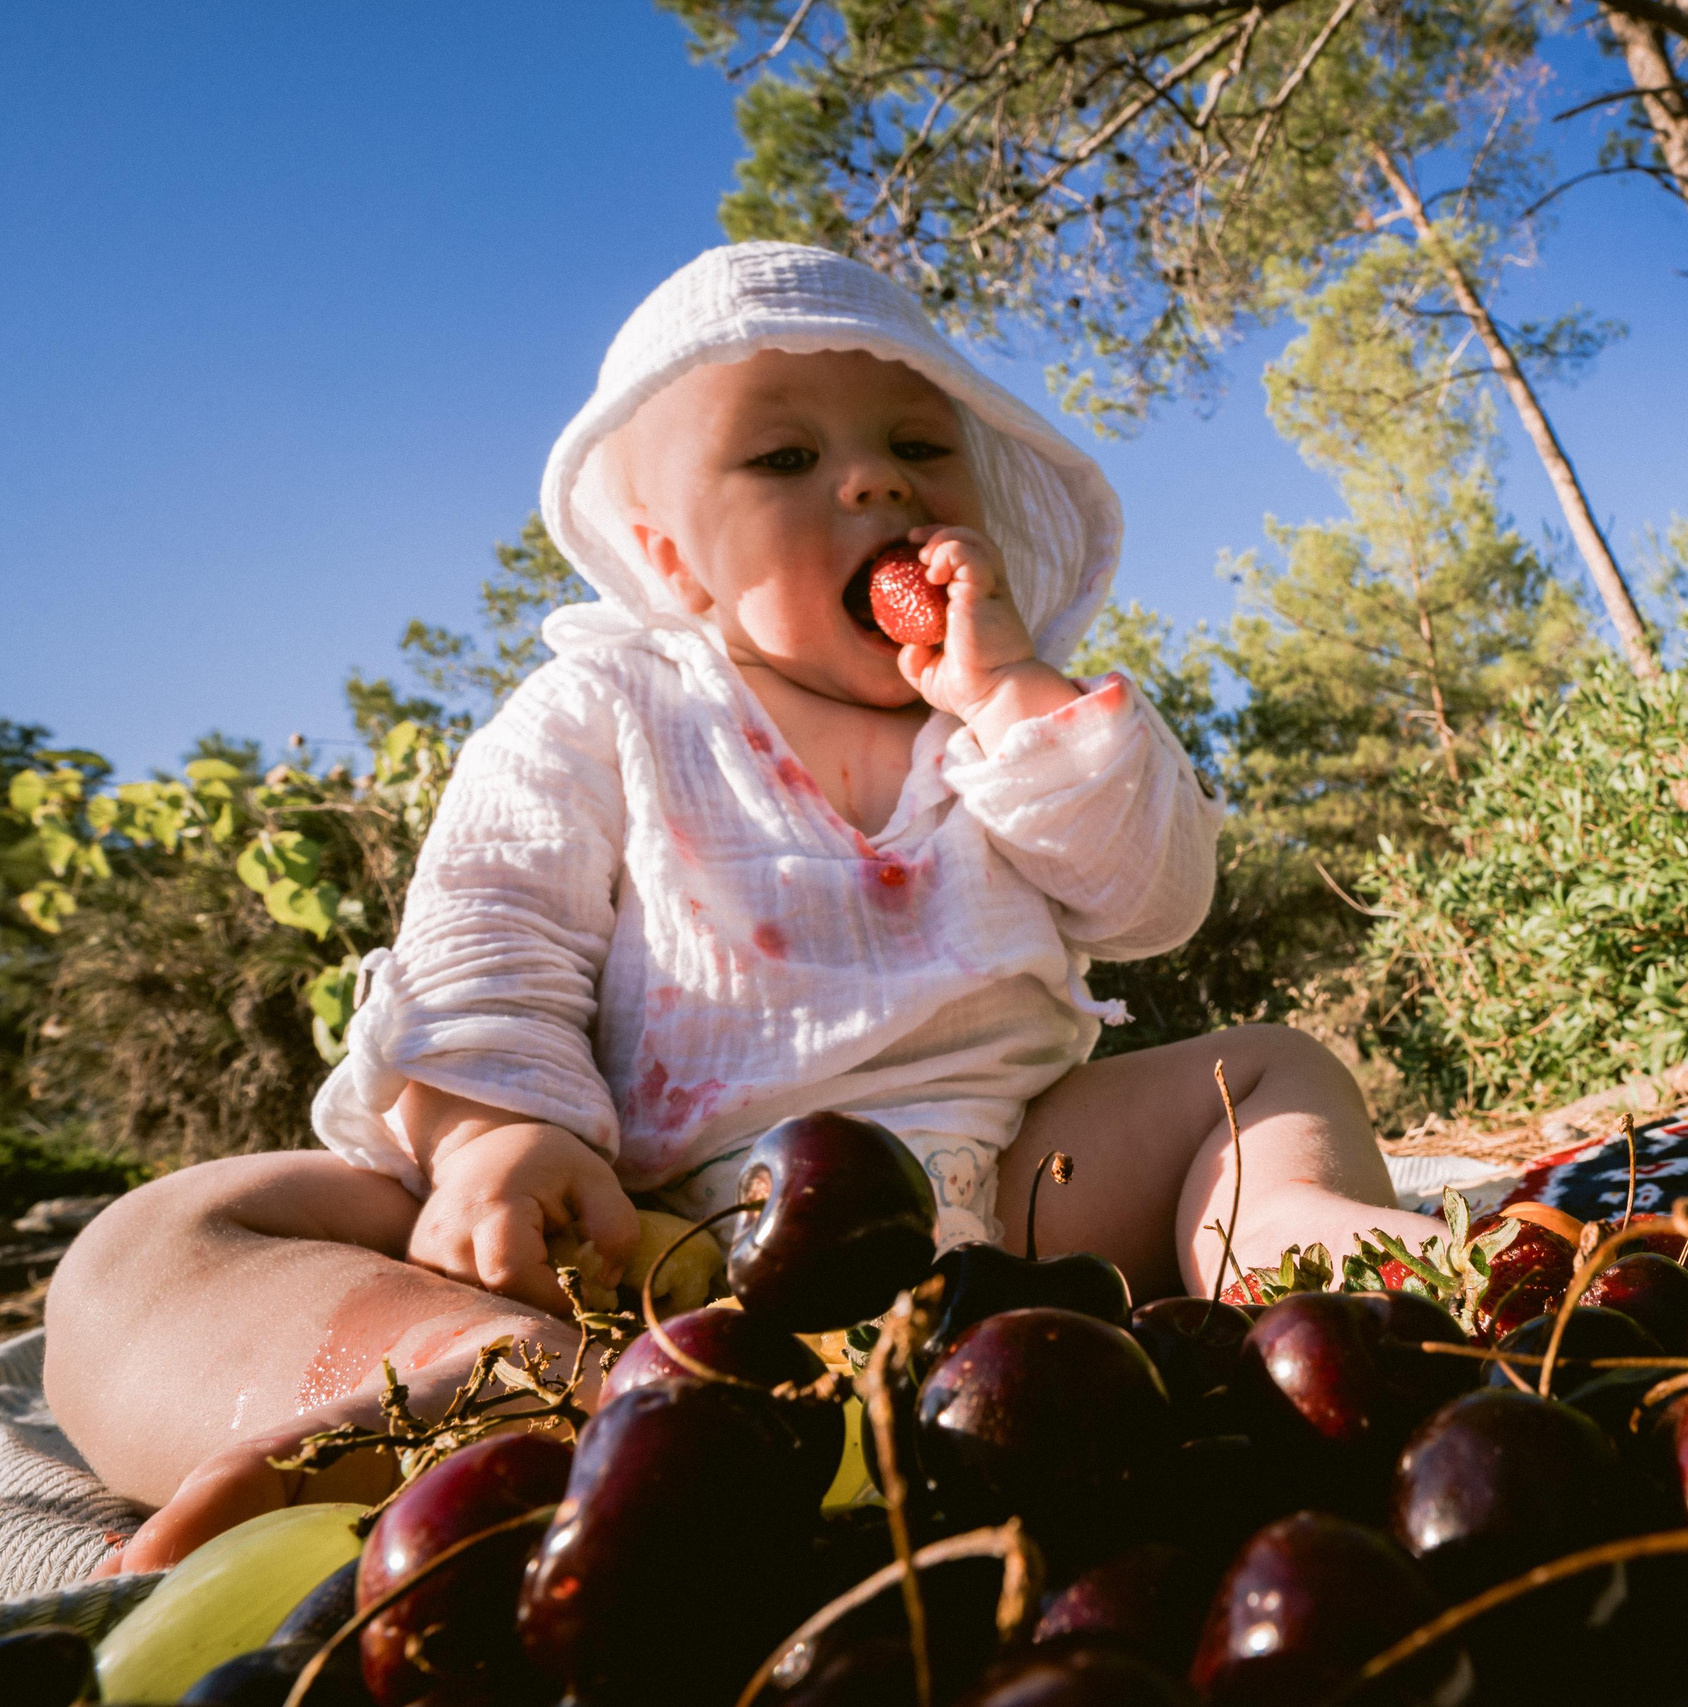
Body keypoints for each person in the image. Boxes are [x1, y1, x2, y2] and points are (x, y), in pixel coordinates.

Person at [45, 243, 1447, 1571]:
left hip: (1006, 1203)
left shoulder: (1002, 729)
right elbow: (488, 923)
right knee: (153, 1246)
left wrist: (1018, 696)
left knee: (1259, 1071)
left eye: (917, 446)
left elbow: (1154, 893)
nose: (872, 488)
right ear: (670, 564)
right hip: (647, 1237)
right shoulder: (610, 706)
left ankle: (1291, 1252)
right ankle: (483, 1383)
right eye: (787, 457)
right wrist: (494, 1135)